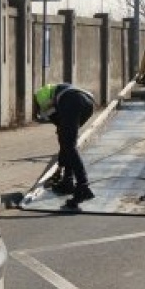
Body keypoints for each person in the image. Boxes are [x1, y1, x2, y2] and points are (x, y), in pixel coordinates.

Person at [33, 82, 96, 210]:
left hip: (73, 101)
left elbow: (56, 121)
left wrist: (60, 165)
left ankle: (83, 186)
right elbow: (61, 133)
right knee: (67, 142)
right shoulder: (52, 92)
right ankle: (67, 181)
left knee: (68, 144)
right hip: (87, 104)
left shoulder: (41, 98)